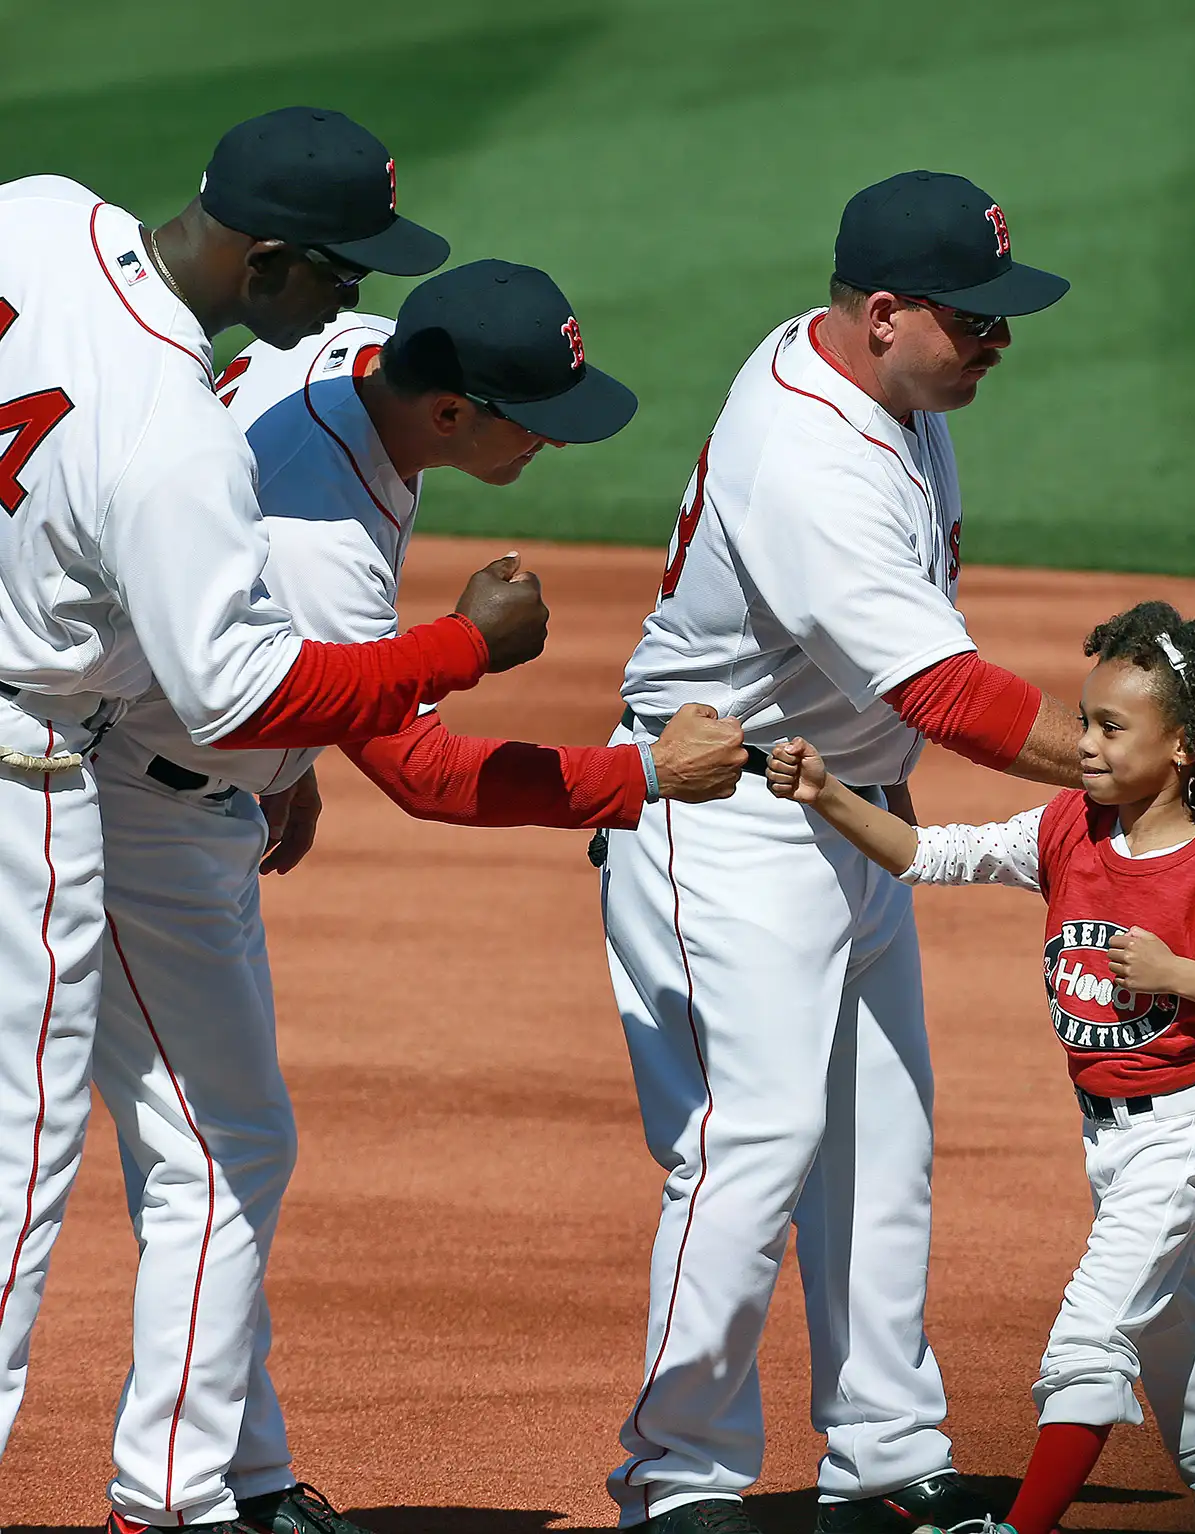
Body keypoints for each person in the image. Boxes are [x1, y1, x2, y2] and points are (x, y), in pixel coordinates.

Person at [91, 260, 749, 1534]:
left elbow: (268, 660)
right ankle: (166, 1505)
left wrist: (285, 761)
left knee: (215, 1150)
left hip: (186, 780)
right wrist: (642, 774)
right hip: (139, 818)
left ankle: (243, 1475)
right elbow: (436, 776)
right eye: (533, 419)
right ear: (448, 410)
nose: (552, 441)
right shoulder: (321, 534)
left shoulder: (359, 352)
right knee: (221, 1159)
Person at [0, 107, 549, 1479]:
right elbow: (238, 695)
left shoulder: (39, 211)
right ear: (268, 263)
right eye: (341, 275)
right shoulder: (175, 432)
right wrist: (462, 646)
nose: (354, 304)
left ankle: (212, 1478)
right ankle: (179, 1492)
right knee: (20, 1175)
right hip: (32, 774)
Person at [598, 170, 1086, 1534]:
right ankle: (680, 1473)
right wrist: (1127, 763)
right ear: (882, 313)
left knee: (880, 1136)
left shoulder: (888, 386)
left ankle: (885, 1446)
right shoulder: (808, 454)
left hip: (847, 809)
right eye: (973, 319)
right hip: (728, 815)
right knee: (754, 1141)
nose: (998, 339)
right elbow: (953, 697)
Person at [767, 602, 1195, 1534]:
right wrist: (830, 794)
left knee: (1090, 1334)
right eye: (1088, 720)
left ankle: (1023, 1529)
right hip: (1105, 1137)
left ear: (1183, 746)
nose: (1089, 744)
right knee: (1177, 1344)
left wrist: (1179, 975)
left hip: (1183, 1129)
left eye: (1114, 728)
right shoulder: (1074, 825)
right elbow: (939, 854)